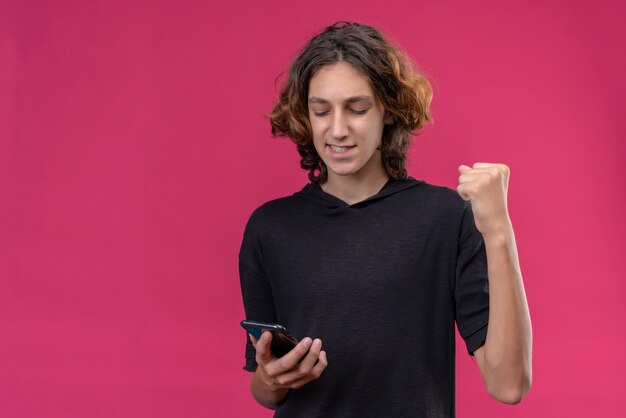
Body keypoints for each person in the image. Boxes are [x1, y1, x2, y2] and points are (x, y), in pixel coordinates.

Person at [238, 21, 532, 417]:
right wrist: (271, 378)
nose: (337, 129)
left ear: (389, 111)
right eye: (321, 110)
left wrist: (499, 230)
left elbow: (509, 384)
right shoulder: (269, 228)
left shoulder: (445, 218)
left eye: (357, 109)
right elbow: (264, 390)